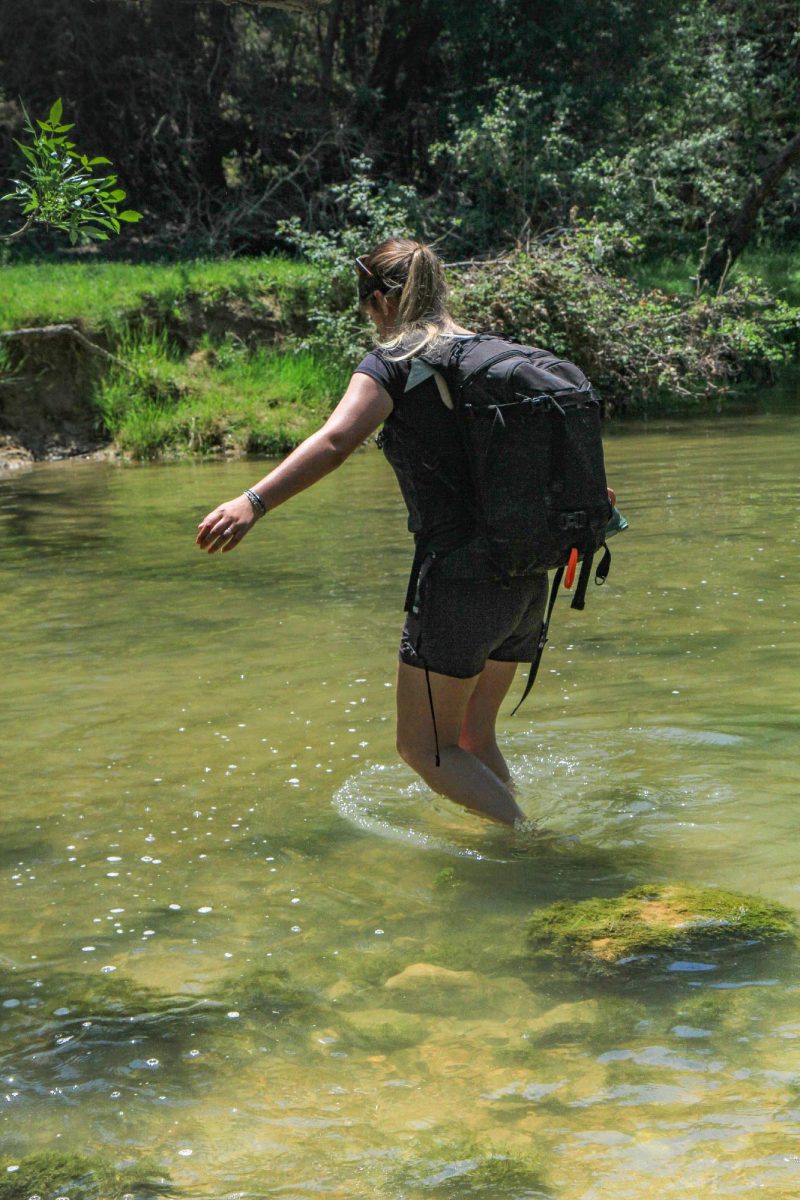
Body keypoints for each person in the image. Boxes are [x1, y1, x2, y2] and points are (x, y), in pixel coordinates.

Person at [196, 237, 556, 827]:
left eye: (366, 307)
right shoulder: (496, 354)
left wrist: (253, 501)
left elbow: (337, 440)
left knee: (425, 749)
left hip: (461, 582)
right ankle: (519, 835)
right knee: (470, 736)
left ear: (382, 301)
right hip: (524, 576)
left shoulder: (396, 363)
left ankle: (531, 847)